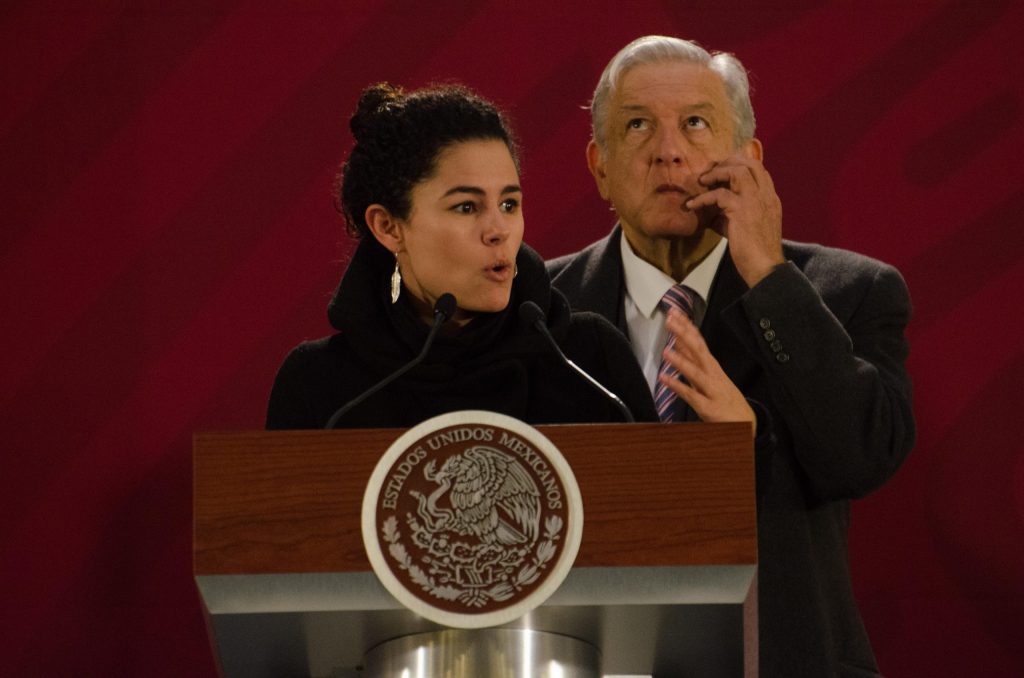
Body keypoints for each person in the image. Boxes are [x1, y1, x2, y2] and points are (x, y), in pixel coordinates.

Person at [547, 36, 915, 677]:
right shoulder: (539, 310)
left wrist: (768, 273)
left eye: (695, 123)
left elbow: (861, 456)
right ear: (599, 165)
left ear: (748, 157)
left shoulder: (849, 292)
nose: (668, 149)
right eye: (637, 126)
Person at [267, 82, 657, 430]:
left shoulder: (589, 362)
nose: (498, 230)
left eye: (508, 204)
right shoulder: (321, 387)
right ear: (388, 227)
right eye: (467, 207)